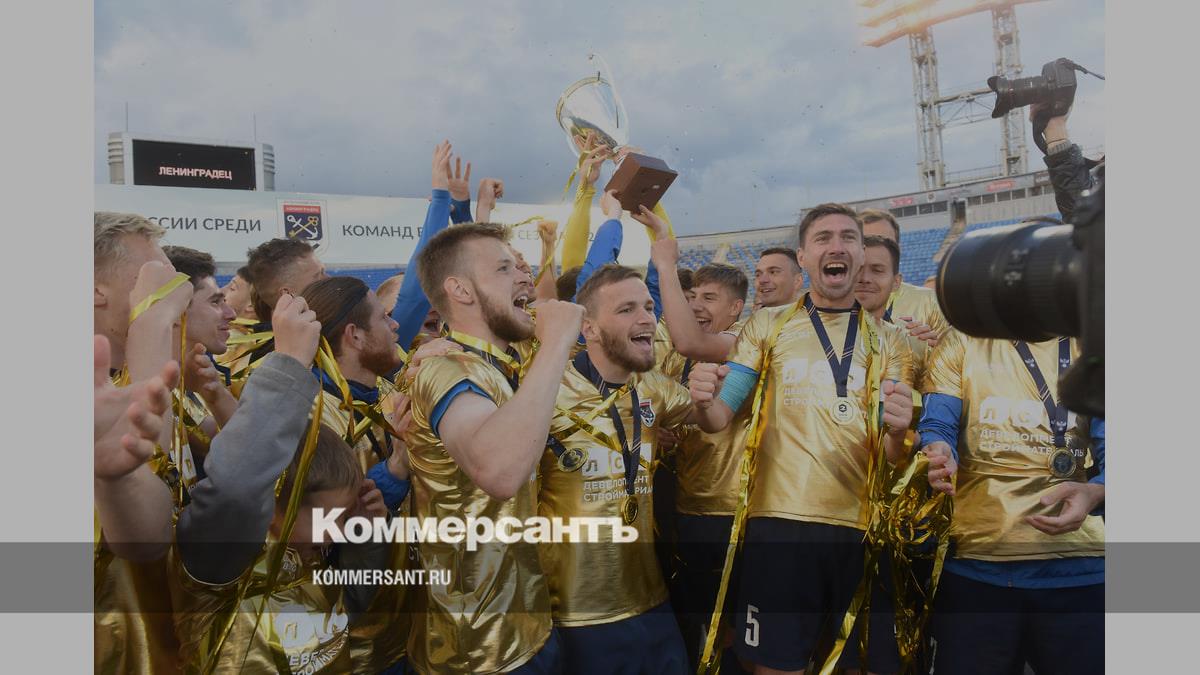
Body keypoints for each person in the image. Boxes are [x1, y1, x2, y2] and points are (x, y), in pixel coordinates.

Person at [689, 203, 916, 675]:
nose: (837, 246)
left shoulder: (892, 341)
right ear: (804, 257)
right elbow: (720, 416)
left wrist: (899, 431)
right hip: (779, 527)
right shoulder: (768, 325)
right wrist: (704, 401)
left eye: (848, 237)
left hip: (862, 528)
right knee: (776, 666)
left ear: (861, 253)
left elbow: (893, 455)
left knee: (863, 665)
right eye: (823, 238)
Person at [171, 292, 390, 673]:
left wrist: (366, 537)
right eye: (332, 518)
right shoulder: (221, 570)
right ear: (272, 507)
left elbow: (349, 608)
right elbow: (238, 484)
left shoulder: (311, 562)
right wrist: (288, 365)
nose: (339, 531)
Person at [405, 222, 584, 673]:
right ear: (460, 290)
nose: (524, 275)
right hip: (477, 648)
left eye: (520, 266)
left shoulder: (502, 361)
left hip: (528, 622)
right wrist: (556, 342)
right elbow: (500, 472)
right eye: (504, 269)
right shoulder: (444, 368)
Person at [539, 264, 703, 675]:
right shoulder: (545, 389)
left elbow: (715, 416)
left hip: (651, 599)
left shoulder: (654, 388)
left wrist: (725, 373)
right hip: (575, 611)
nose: (646, 317)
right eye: (627, 309)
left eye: (648, 306)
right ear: (589, 328)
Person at [919, 328, 1104, 674]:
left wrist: (1097, 491)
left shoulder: (1097, 346)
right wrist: (938, 453)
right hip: (977, 566)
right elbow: (937, 427)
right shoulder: (962, 340)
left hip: (1080, 570)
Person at [93, 211, 194, 674]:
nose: (175, 284)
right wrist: (152, 319)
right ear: (95, 290)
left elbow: (155, 536)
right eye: (155, 270)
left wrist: (119, 480)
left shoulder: (132, 383)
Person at [648, 225, 751, 671]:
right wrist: (658, 430)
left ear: (736, 308)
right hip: (686, 507)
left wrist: (665, 264)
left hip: (733, 511)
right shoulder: (678, 356)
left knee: (734, 630)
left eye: (709, 298)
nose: (696, 306)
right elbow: (656, 400)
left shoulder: (747, 342)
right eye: (693, 298)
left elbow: (690, 340)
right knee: (698, 622)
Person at [163, 245, 240, 467]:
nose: (231, 314)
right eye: (215, 302)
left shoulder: (202, 377)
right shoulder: (134, 384)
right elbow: (245, 454)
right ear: (177, 308)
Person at [219, 236, 328, 391]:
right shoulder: (264, 368)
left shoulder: (328, 336)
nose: (329, 279)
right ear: (287, 294)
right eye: (318, 276)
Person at [859, 209, 945, 346]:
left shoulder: (929, 302)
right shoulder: (834, 306)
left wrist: (935, 348)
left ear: (898, 249)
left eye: (884, 242)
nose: (874, 251)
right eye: (865, 243)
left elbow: (955, 354)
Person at [854, 236, 931, 389]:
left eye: (877, 270)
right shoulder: (812, 333)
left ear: (896, 282)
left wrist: (936, 351)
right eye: (857, 269)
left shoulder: (917, 342)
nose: (865, 278)